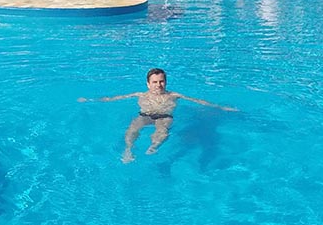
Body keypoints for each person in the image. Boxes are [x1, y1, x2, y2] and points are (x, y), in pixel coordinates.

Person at [79, 68, 237, 163]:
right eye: (154, 82)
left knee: (162, 131)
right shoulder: (140, 94)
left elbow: (198, 101)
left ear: (165, 82)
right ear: (148, 84)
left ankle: (153, 147)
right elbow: (113, 98)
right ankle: (128, 150)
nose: (158, 85)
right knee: (132, 129)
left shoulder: (174, 95)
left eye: (161, 81)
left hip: (164, 116)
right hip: (145, 115)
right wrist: (90, 100)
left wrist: (221, 107)